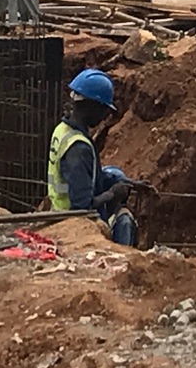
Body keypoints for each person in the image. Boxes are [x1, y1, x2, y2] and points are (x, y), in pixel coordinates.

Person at [47, 68, 141, 247]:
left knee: (115, 174)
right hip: (73, 221)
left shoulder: (63, 130)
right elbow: (82, 207)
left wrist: (129, 183)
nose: (105, 115)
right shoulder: (79, 148)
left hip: (58, 209)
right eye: (104, 109)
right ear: (92, 106)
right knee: (124, 222)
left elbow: (92, 176)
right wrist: (112, 194)